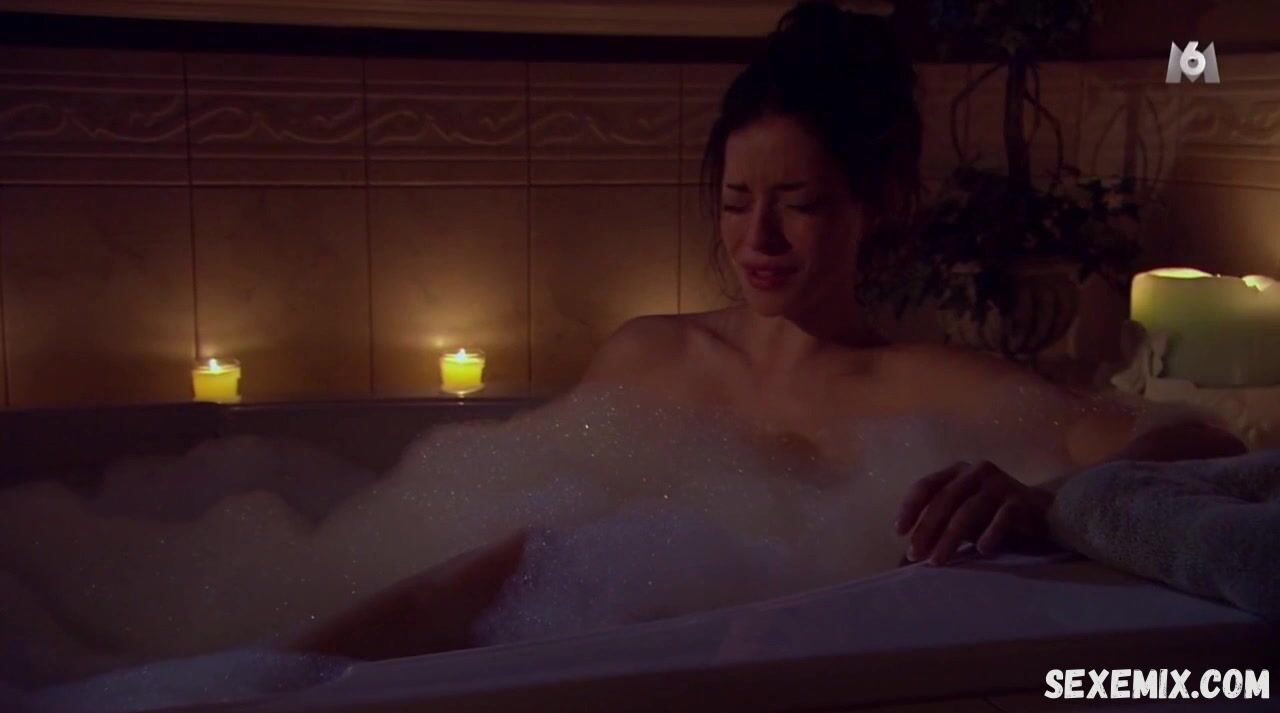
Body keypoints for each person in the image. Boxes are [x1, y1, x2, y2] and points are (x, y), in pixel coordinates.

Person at [292, 0, 1246, 659]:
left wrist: (1043, 501)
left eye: (800, 202)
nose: (760, 239)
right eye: (737, 201)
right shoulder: (649, 354)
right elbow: (501, 563)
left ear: (878, 202)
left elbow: (1198, 442)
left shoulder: (930, 385)